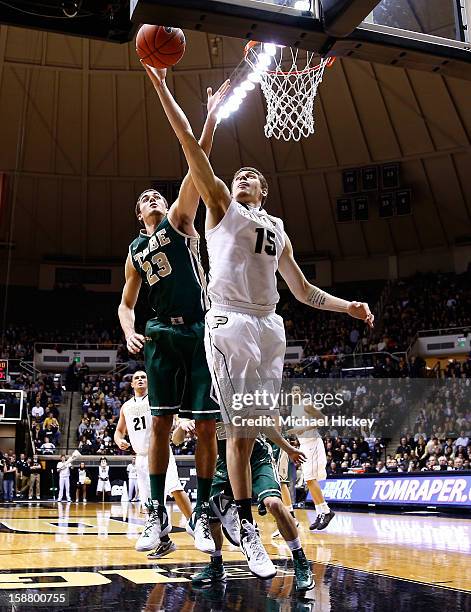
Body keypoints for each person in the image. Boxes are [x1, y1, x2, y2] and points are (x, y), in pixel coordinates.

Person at [144, 64, 374, 577]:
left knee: (251, 426)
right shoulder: (222, 204)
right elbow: (189, 144)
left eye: (254, 175)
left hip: (271, 326)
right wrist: (163, 86)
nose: (244, 175)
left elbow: (302, 290)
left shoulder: (278, 229)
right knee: (239, 430)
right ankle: (245, 526)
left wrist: (348, 307)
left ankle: (240, 516)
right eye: (240, 172)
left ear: (265, 191)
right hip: (228, 322)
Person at [117, 79, 229, 555]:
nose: (152, 199)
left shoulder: (179, 221)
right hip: (160, 334)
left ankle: (202, 513)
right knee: (160, 423)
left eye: (155, 196)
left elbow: (195, 163)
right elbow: (126, 302)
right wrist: (128, 331)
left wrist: (210, 118)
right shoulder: (135, 251)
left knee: (205, 426)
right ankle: (157, 519)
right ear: (137, 212)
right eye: (144, 199)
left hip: (201, 328)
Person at [173, 420, 313, 589]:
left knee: (274, 503)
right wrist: (182, 426)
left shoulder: (238, 398)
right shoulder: (203, 405)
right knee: (210, 518)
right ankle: (216, 565)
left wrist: (288, 448)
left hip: (257, 458)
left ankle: (300, 560)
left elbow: (264, 424)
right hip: (225, 465)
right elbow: (176, 440)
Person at [114, 370, 192, 559]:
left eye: (143, 377)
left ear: (148, 382)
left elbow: (173, 419)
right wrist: (119, 441)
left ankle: (196, 523)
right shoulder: (126, 406)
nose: (140, 379)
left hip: (160, 451)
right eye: (136, 378)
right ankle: (165, 543)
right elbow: (118, 431)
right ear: (132, 384)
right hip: (140, 457)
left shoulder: (156, 399)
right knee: (150, 504)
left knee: (175, 489)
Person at [286, 384, 335, 530]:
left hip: (313, 443)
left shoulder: (306, 404)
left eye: (297, 390)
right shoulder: (294, 408)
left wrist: (302, 429)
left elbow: (324, 420)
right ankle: (320, 512)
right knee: (309, 481)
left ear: (301, 393)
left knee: (310, 479)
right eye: (292, 390)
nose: (295, 392)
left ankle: (326, 511)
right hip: (304, 445)